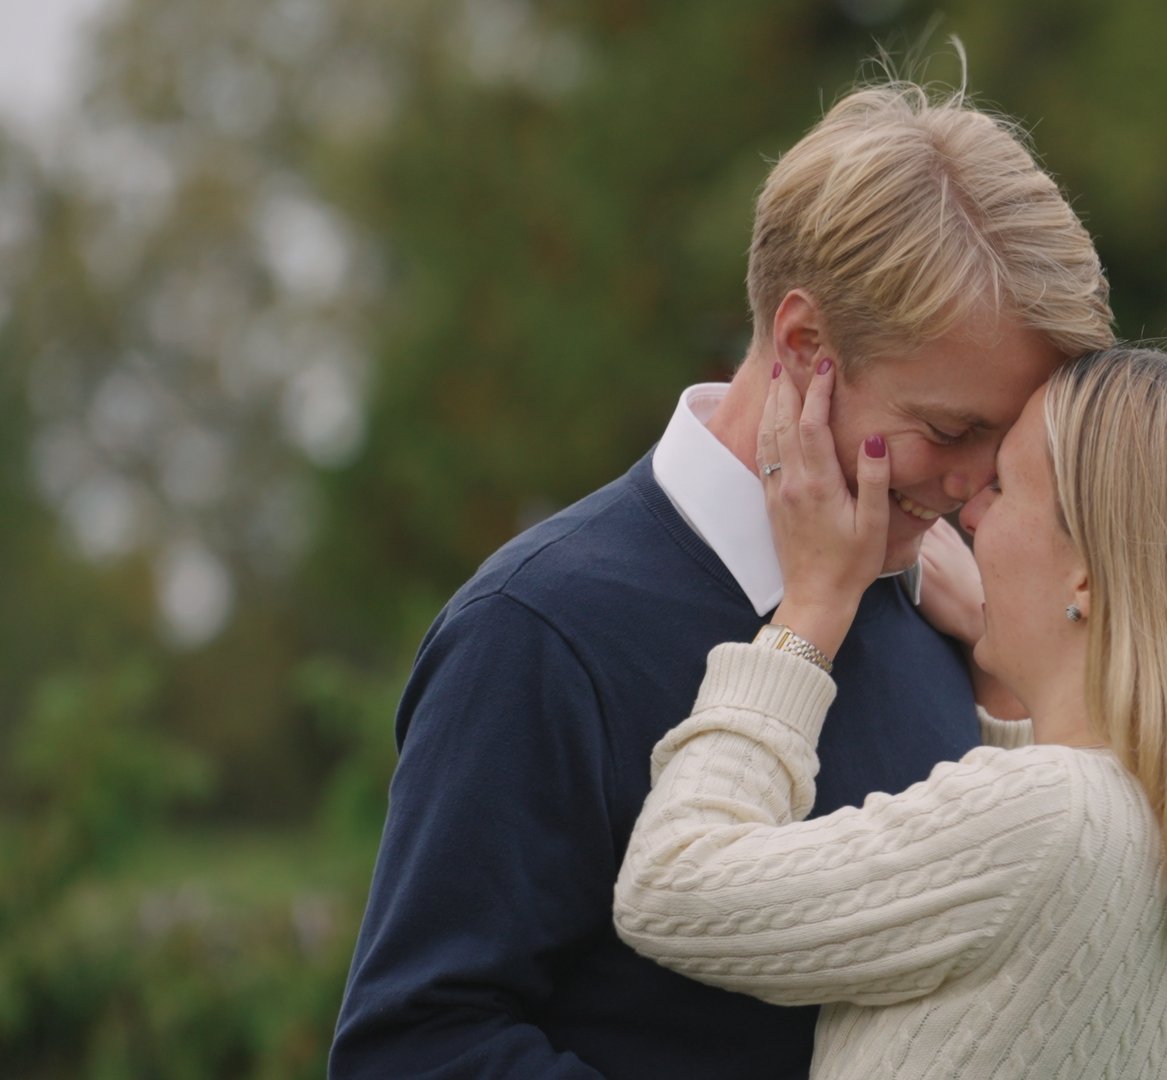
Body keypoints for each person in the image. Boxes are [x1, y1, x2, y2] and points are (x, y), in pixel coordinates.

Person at [330, 72, 1114, 1078]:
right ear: (802, 345)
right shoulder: (536, 628)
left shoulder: (939, 610)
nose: (976, 489)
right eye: (953, 431)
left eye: (1005, 441)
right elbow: (414, 1048)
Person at [612, 346, 1167, 1077]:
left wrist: (810, 610)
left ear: (1085, 575)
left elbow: (673, 886)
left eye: (1005, 486)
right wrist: (1012, 670)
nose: (970, 513)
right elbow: (1026, 991)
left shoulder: (1045, 820)